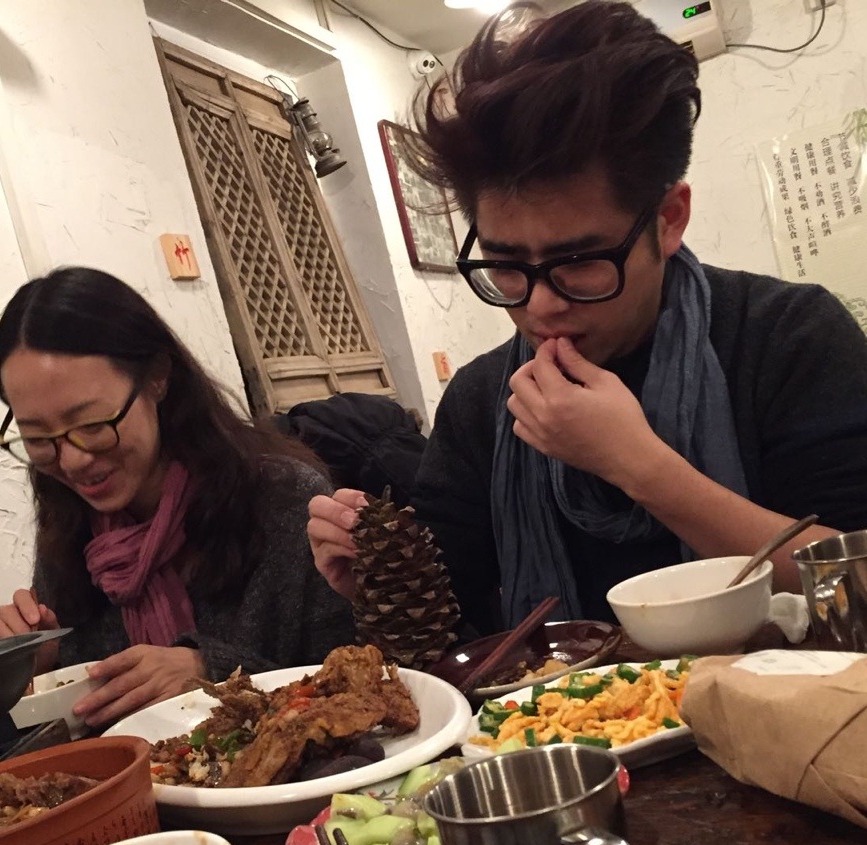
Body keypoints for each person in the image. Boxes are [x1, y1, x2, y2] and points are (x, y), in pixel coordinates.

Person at [308, 0, 867, 637]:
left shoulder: (788, 336)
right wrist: (379, 578)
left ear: (669, 219)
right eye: (505, 264)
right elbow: (455, 628)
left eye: (579, 261)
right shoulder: (480, 402)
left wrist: (638, 466)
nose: (540, 304)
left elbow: (855, 579)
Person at [0, 267, 354, 727]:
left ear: (157, 377)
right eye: (38, 437)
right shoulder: (69, 527)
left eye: (92, 425)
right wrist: (30, 670)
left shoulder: (284, 501)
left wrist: (212, 674)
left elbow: (358, 689)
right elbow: (85, 725)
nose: (72, 461)